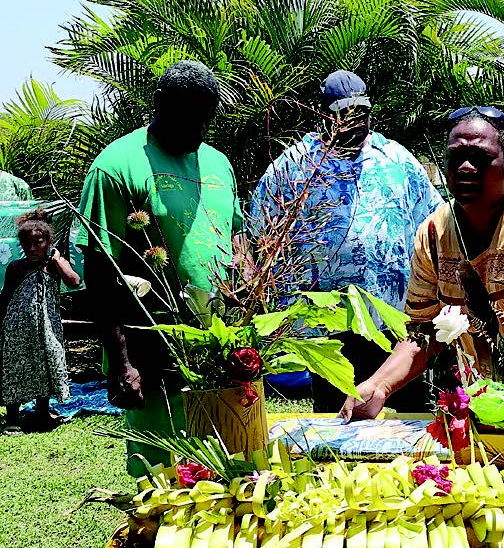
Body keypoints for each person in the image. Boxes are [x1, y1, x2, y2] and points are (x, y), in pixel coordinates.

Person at [339, 106, 504, 421]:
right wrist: (377, 386)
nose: (466, 167)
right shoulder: (433, 232)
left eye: (480, 157)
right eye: (456, 157)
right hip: (484, 408)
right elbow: (423, 331)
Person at [76, 60, 243, 474]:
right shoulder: (116, 166)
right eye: (189, 118)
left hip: (220, 351)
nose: (198, 132)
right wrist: (120, 361)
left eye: (206, 119)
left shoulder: (219, 163)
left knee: (229, 473)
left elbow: (237, 240)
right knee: (164, 482)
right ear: (160, 105)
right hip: (152, 354)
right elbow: (99, 271)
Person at [249, 70, 443, 413]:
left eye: (362, 113)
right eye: (345, 114)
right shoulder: (294, 167)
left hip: (394, 322)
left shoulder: (397, 160)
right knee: (337, 426)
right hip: (330, 327)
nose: (355, 122)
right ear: (324, 114)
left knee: (407, 421)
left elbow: (435, 224)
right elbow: (261, 238)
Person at [0, 211, 80, 435]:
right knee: (16, 368)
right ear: (21, 246)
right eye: (28, 244)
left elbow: (74, 281)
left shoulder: (54, 266)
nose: (33, 248)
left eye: (39, 243)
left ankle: (42, 413)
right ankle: (13, 418)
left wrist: (56, 258)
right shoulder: (16, 268)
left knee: (46, 365)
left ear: (49, 243)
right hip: (18, 329)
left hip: (47, 328)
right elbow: (5, 298)